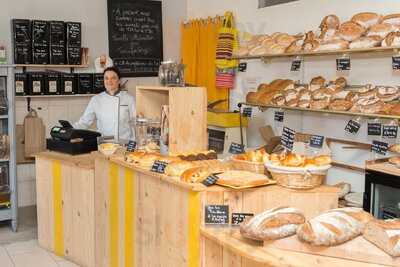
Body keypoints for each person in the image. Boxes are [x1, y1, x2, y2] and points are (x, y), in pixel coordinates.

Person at [73, 66, 135, 141]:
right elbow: (84, 122)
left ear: (119, 81)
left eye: (113, 78)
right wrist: (70, 130)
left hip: (124, 142)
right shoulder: (96, 99)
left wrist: (134, 142)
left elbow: (135, 122)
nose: (109, 81)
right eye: (106, 78)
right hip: (104, 144)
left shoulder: (129, 99)